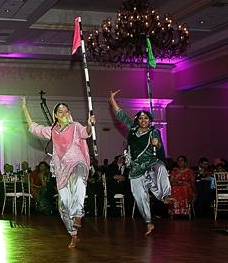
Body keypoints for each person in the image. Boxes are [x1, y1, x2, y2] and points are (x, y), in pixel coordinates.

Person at [22, 97, 94, 248]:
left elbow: (85, 133)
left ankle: (78, 213)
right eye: (60, 111)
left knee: (80, 181)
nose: (63, 113)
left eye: (66, 111)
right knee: (64, 206)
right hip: (61, 169)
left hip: (77, 161)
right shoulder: (52, 131)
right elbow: (33, 127)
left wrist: (89, 125)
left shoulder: (75, 126)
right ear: (55, 115)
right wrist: (24, 108)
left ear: (69, 113)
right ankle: (73, 234)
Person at [109, 90, 171, 236]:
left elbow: (158, 145)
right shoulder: (132, 129)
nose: (143, 120)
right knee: (139, 196)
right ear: (137, 120)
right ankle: (149, 222)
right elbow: (121, 115)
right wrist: (112, 99)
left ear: (149, 121)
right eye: (141, 118)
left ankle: (166, 195)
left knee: (161, 167)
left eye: (146, 118)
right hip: (136, 168)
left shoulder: (153, 132)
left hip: (150, 162)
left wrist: (156, 144)